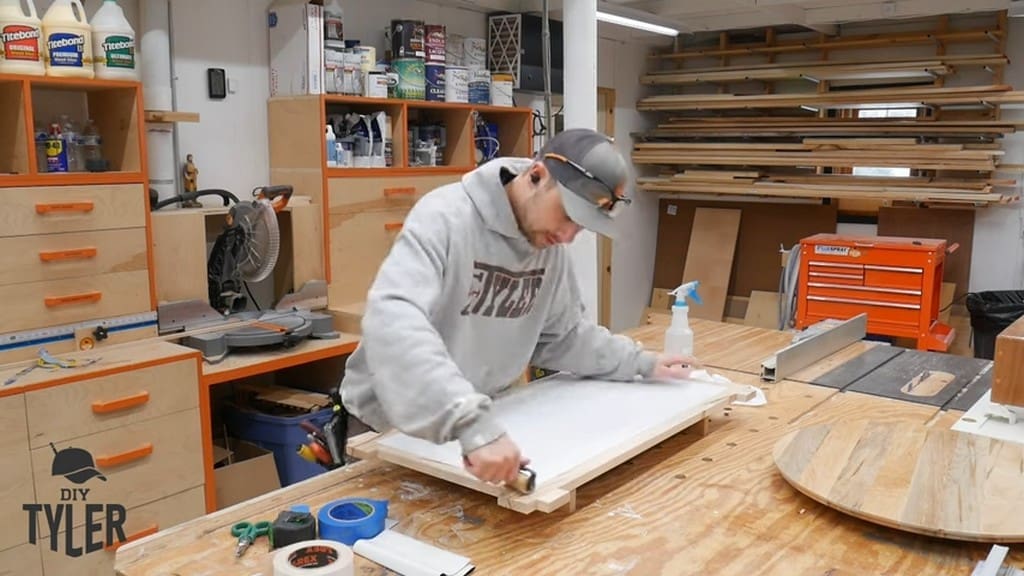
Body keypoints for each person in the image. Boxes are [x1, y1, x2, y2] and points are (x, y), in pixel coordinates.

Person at [339, 128, 700, 486]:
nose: (567, 236)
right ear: (536, 175)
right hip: (386, 430)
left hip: (473, 429)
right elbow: (394, 320)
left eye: (582, 226)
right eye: (568, 215)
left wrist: (641, 363)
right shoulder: (445, 218)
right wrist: (471, 422)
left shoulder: (548, 250)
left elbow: (564, 336)